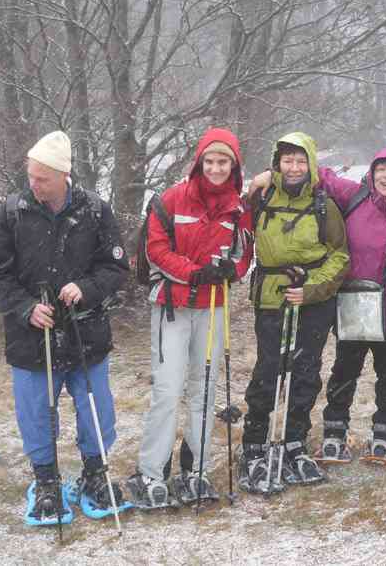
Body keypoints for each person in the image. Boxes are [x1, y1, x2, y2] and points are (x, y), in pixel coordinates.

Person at [0, 131, 129, 519]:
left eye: (42, 178)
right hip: (31, 337)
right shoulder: (10, 213)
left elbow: (115, 267)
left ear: (64, 175)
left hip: (86, 331)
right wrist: (25, 307)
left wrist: (87, 289)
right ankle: (45, 478)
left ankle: (95, 473)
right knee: (36, 412)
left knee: (95, 407)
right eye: (30, 176)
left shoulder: (96, 211)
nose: (33, 184)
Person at [128, 128, 253, 508]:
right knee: (167, 391)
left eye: (223, 162)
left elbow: (244, 256)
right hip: (173, 307)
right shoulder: (171, 199)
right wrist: (194, 272)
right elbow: (156, 250)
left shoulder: (239, 208)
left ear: (234, 165)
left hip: (213, 307)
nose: (215, 168)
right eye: (209, 161)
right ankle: (151, 471)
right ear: (199, 162)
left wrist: (231, 271)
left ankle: (195, 468)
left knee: (204, 390)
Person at [239, 132, 349, 494]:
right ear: (277, 163)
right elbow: (235, 223)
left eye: (301, 161)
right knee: (268, 371)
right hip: (271, 297)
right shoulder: (262, 197)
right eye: (288, 160)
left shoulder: (323, 205)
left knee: (305, 372)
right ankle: (255, 443)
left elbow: (339, 255)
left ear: (311, 164)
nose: (294, 167)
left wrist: (313, 288)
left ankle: (294, 441)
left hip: (312, 300)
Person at [314, 149, 386, 462]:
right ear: (371, 174)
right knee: (344, 370)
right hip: (354, 303)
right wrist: (270, 175)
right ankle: (334, 432)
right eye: (381, 169)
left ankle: (384, 435)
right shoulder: (355, 197)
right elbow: (322, 177)